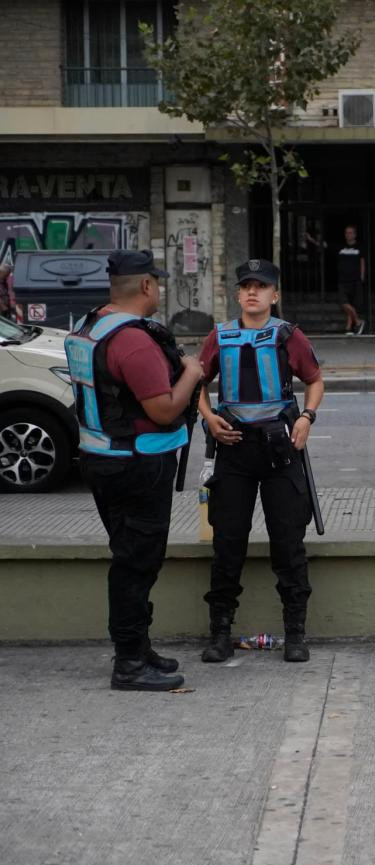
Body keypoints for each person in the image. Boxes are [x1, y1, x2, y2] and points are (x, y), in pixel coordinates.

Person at [64, 250, 202, 691]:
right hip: (136, 466)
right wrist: (193, 373)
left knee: (131, 557)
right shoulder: (133, 340)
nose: (159, 290)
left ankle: (139, 648)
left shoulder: (91, 326)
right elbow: (163, 410)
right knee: (136, 563)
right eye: (157, 283)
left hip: (103, 459)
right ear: (145, 286)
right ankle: (128, 662)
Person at [197, 258, 325, 664]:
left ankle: (295, 634)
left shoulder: (288, 336)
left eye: (261, 286)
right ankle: (219, 632)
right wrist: (209, 418)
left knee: (288, 543)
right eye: (246, 286)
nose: (253, 292)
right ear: (237, 294)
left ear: (275, 295)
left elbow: (315, 381)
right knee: (227, 543)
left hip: (279, 451)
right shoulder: (220, 336)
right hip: (233, 450)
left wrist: (306, 418)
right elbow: (196, 383)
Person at [337, 224, 366, 336]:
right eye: (346, 233)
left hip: (355, 280)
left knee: (353, 303)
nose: (348, 235)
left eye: (350, 232)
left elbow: (362, 262)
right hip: (343, 280)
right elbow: (324, 245)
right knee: (344, 303)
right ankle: (358, 321)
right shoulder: (341, 247)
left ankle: (349, 327)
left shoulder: (360, 247)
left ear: (355, 234)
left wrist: (362, 277)